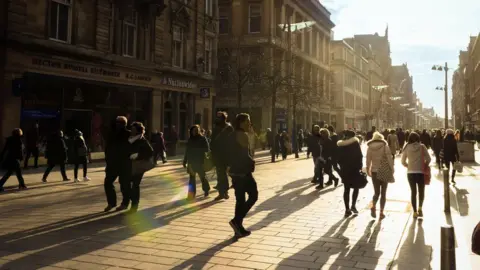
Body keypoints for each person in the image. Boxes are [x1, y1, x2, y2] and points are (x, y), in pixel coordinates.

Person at [227, 113, 257, 238]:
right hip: (243, 172)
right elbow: (245, 155)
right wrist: (252, 162)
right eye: (248, 121)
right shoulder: (243, 135)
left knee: (240, 199)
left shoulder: (231, 135)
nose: (250, 123)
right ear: (241, 122)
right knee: (253, 195)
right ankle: (237, 221)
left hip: (234, 171)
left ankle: (238, 228)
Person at [103, 116, 132, 212]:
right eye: (117, 122)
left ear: (124, 124)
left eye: (120, 123)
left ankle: (125, 203)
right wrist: (107, 159)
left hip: (124, 163)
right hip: (112, 163)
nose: (118, 124)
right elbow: (108, 148)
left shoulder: (129, 134)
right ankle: (111, 203)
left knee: (124, 184)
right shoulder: (111, 134)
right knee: (108, 182)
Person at [401, 132, 431, 218]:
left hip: (410, 173)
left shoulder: (406, 147)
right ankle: (420, 208)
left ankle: (414, 212)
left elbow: (402, 161)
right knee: (421, 191)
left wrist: (408, 166)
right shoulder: (422, 146)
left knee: (413, 192)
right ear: (418, 138)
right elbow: (429, 159)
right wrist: (424, 165)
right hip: (421, 172)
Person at [366, 132, 394, 219]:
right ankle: (381, 212)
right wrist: (392, 169)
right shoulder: (385, 146)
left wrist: (368, 169)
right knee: (383, 193)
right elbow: (389, 159)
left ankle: (373, 206)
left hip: (374, 171)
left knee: (376, 192)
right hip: (384, 170)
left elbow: (368, 160)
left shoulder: (369, 147)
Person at [128, 122, 154, 213]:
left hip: (139, 166)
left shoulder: (142, 140)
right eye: (131, 129)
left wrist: (138, 155)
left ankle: (134, 205)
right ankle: (131, 201)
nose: (132, 131)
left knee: (135, 185)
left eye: (134, 129)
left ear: (138, 131)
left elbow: (150, 152)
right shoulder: (130, 139)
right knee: (126, 184)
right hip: (130, 165)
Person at [337, 130, 363, 217]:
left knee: (346, 189)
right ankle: (353, 206)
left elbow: (338, 159)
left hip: (345, 170)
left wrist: (341, 167)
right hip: (354, 169)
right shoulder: (355, 144)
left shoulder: (341, 145)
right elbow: (360, 156)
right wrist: (360, 167)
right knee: (356, 187)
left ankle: (347, 209)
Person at [210, 111, 234, 201]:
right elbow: (212, 141)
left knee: (222, 173)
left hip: (225, 154)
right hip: (218, 154)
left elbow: (232, 142)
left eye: (219, 118)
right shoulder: (217, 128)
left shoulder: (228, 128)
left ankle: (224, 192)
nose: (217, 119)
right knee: (221, 173)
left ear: (224, 118)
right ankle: (222, 192)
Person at [183, 125, 211, 200]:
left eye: (196, 130)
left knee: (202, 177)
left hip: (200, 161)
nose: (195, 132)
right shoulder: (190, 139)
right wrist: (185, 160)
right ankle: (191, 195)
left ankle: (206, 190)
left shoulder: (202, 138)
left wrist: (197, 151)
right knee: (192, 179)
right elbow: (187, 151)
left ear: (198, 131)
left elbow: (207, 149)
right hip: (191, 161)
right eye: (193, 130)